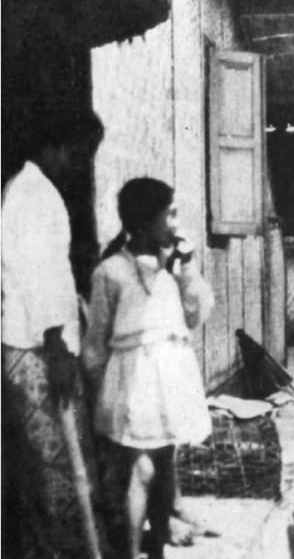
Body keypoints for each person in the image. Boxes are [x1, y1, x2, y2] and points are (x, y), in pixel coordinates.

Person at [83, 178, 214, 559]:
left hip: (171, 381)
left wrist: (186, 268)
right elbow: (96, 341)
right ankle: (130, 553)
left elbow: (194, 315)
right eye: (170, 213)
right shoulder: (111, 272)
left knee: (165, 473)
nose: (175, 222)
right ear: (145, 217)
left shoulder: (172, 270)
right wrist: (99, 391)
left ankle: (156, 551)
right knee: (142, 471)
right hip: (134, 384)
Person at [2, 106, 105, 559]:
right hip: (38, 349)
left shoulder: (27, 191)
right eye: (78, 154)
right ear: (54, 147)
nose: (80, 165)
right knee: (56, 471)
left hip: (36, 345)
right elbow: (40, 279)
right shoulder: (36, 196)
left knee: (50, 471)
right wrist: (59, 353)